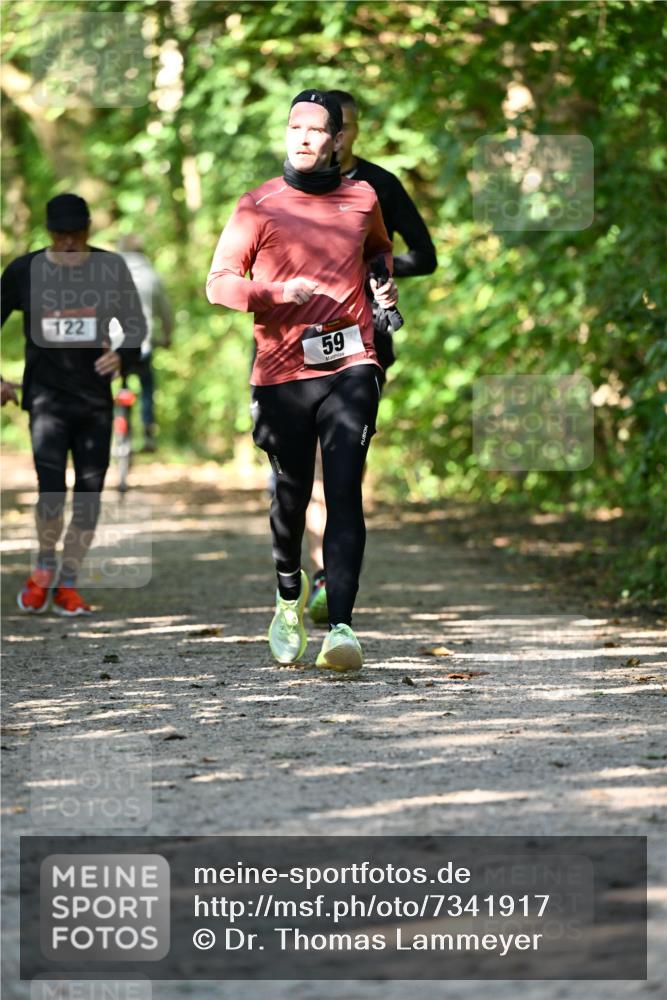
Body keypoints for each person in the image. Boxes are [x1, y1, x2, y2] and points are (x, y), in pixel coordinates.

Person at [207, 89, 397, 671]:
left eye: (317, 129)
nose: (305, 137)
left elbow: (379, 250)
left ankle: (341, 626)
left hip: (352, 361)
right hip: (282, 373)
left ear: (338, 138)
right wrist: (275, 293)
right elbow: (218, 285)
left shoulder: (363, 197)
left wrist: (382, 287)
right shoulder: (258, 204)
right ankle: (289, 598)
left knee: (343, 490)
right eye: (295, 127)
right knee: (290, 496)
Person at [305, 89, 438, 626]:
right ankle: (316, 573)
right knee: (308, 471)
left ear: (352, 130)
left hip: (364, 342)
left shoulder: (379, 185)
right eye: (322, 128)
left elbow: (424, 256)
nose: (335, 137)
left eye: (346, 126)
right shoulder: (291, 184)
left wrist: (372, 269)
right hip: (298, 341)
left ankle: (329, 576)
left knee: (339, 467)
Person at [1, 193, 145, 615]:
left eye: (76, 236)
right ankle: (43, 570)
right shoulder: (25, 271)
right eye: (60, 236)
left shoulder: (110, 268)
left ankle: (68, 582)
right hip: (45, 401)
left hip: (94, 402)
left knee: (89, 494)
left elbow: (135, 324)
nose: (68, 244)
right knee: (50, 491)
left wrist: (124, 355)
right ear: (49, 234)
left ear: (88, 232)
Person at [115, 235, 174, 452]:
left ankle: (118, 432)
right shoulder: (152, 276)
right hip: (143, 343)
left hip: (113, 345)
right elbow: (165, 313)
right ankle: (148, 428)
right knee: (146, 384)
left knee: (115, 383)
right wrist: (167, 336)